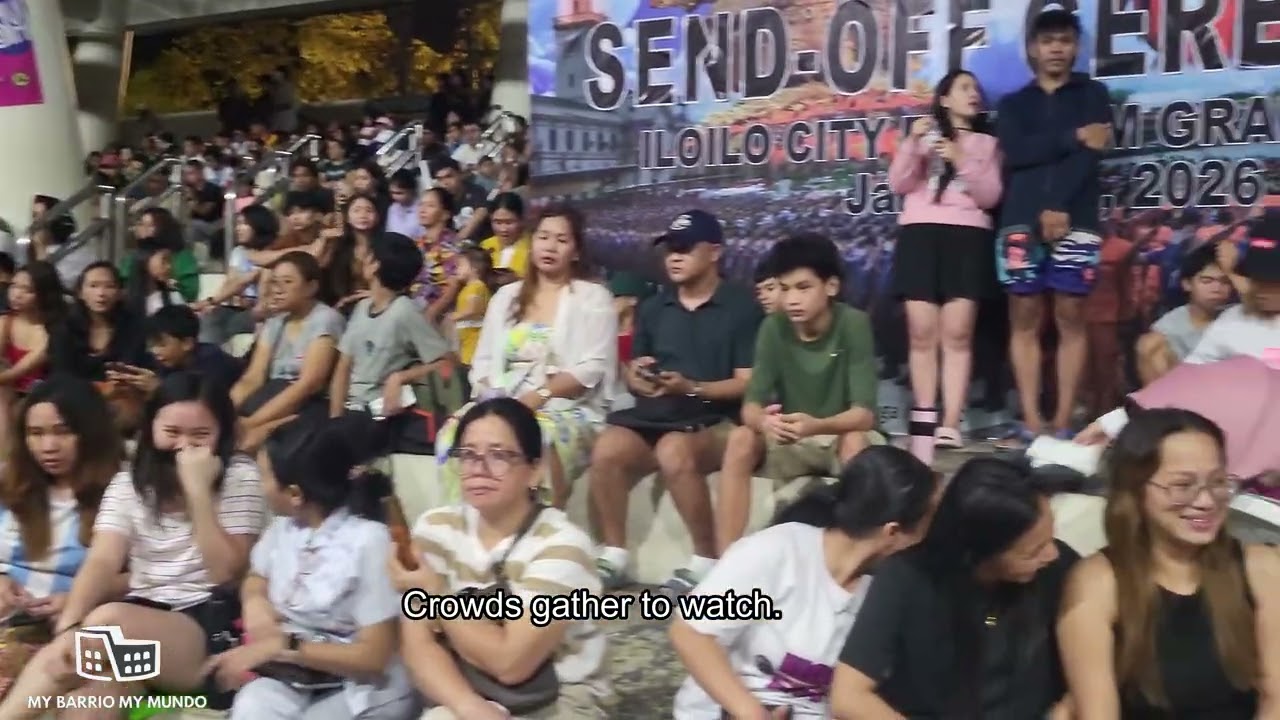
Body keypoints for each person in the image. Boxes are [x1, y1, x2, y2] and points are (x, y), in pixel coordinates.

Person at [0, 372, 269, 718]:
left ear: (222, 434)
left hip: (205, 633)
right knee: (88, 701)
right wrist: (69, 628)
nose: (183, 446)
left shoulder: (240, 477)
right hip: (138, 632)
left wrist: (199, 491)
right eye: (171, 432)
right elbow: (101, 561)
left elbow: (225, 573)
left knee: (109, 618)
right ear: (151, 427)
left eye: (200, 435)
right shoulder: (129, 483)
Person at [671, 446, 939, 719]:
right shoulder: (777, 551)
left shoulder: (885, 591)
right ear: (892, 532)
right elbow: (691, 634)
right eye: (923, 530)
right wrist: (751, 712)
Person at [395, 398, 610, 719]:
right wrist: (469, 706)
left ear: (534, 470)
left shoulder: (563, 546)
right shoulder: (435, 528)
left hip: (560, 696)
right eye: (468, 454)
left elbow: (511, 664)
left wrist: (437, 593)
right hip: (472, 688)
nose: (479, 468)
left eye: (499, 455)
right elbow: (418, 645)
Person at [1058, 409, 1279, 718]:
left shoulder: (1262, 568)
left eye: (1217, 482)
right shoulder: (1098, 583)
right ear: (1135, 490)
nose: (1206, 501)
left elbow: (1276, 701)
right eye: (1183, 485)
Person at [589, 209, 762, 593]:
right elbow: (636, 370)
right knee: (606, 448)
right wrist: (637, 379)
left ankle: (706, 558)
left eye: (684, 249)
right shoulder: (654, 307)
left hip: (717, 419)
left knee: (674, 451)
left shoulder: (742, 307)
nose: (674, 257)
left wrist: (691, 387)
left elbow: (746, 384)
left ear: (714, 252)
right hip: (660, 411)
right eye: (669, 250)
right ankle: (614, 553)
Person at [829, 457, 1078, 720]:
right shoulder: (906, 578)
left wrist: (1064, 710)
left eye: (1050, 537)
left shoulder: (1060, 570)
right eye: (1033, 551)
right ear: (980, 553)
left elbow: (1099, 669)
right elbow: (849, 696)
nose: (1051, 554)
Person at [207, 417, 416, 719]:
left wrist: (283, 645)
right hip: (297, 675)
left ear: (295, 494)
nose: (260, 486)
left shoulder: (369, 540)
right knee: (253, 705)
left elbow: (373, 657)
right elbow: (257, 577)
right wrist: (255, 602)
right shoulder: (283, 529)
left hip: (363, 684)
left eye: (264, 476)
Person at [435, 205, 618, 507]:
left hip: (564, 409)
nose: (550, 246)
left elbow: (593, 366)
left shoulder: (592, 297)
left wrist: (541, 394)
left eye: (561, 240)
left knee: (537, 437)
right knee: (453, 433)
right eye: (544, 237)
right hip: (501, 404)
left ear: (575, 251)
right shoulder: (506, 297)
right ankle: (468, 524)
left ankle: (537, 530)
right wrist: (491, 398)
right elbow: (482, 362)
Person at [714, 234, 881, 555]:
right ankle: (727, 561)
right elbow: (751, 405)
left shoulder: (854, 324)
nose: (791, 300)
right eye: (784, 288)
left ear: (830, 287)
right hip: (793, 438)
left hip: (837, 434)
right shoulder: (773, 327)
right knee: (740, 439)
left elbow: (864, 415)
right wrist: (765, 423)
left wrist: (815, 425)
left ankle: (855, 560)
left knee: (855, 441)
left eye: (803, 288)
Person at [993, 8, 1112, 447]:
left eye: (1065, 40)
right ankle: (1030, 419)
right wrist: (1070, 138)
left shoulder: (1093, 95)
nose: (1056, 48)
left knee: (1070, 316)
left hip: (1077, 219)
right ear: (1032, 48)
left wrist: (1058, 204)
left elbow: (1092, 152)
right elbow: (1017, 152)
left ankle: (1062, 421)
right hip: (1019, 221)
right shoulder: (1012, 104)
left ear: (1076, 47)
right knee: (1023, 318)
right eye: (1047, 41)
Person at [1076, 215, 1280, 444]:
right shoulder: (1234, 321)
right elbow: (1184, 382)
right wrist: (1111, 424)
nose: (1260, 288)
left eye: (1273, 279)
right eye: (1255, 277)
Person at [888, 69, 1002, 459]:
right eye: (965, 87)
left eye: (977, 88)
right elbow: (899, 184)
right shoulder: (922, 140)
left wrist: (962, 159)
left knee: (957, 334)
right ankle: (923, 418)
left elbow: (990, 195)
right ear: (944, 99)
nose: (974, 94)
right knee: (921, 332)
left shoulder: (987, 143)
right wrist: (911, 143)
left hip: (967, 237)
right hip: (920, 234)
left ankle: (950, 423)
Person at [0, 377, 125, 698]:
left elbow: (154, 575)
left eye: (62, 432)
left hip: (76, 629)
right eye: (36, 434)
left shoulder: (124, 490)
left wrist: (79, 599)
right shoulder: (9, 482)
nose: (48, 447)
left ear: (90, 432)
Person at [329, 232, 451, 433]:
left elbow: (447, 362)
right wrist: (335, 421)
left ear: (375, 264)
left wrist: (401, 377)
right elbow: (344, 366)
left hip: (378, 414)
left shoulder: (405, 310)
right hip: (350, 412)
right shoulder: (362, 306)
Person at [231, 252, 345, 450]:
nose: (278, 289)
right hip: (272, 396)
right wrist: (223, 412)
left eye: (287, 282)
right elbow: (253, 377)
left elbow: (309, 385)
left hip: (309, 405)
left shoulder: (326, 319)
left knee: (248, 441)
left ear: (311, 287)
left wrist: (251, 423)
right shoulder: (276, 320)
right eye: (274, 282)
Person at [48, 262, 149, 433]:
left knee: (124, 409)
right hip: (74, 395)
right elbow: (61, 375)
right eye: (93, 286)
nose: (101, 294)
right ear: (80, 292)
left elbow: (131, 367)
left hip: (122, 396)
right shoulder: (64, 329)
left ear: (120, 293)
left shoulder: (134, 326)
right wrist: (99, 390)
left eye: (109, 286)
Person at [1134, 242, 1232, 385]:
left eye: (1225, 282)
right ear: (1187, 284)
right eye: (1207, 281)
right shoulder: (1168, 329)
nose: (1217, 288)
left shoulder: (1237, 316)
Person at [107, 305, 242, 397]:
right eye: (153, 344)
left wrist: (160, 388)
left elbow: (202, 403)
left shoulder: (214, 362)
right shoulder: (167, 362)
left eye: (162, 344)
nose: (155, 350)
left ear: (187, 343)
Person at [198, 204, 279, 345]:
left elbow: (255, 283)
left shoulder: (273, 252)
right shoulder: (238, 251)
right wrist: (214, 303)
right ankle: (210, 356)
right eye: (238, 224)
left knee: (232, 323)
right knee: (210, 316)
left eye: (244, 224)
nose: (238, 228)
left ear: (258, 225)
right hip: (236, 306)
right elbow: (232, 281)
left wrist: (213, 300)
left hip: (261, 308)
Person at [411, 187, 462, 324]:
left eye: (430, 205)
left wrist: (432, 312)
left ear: (445, 214)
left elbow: (453, 285)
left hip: (439, 313)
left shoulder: (451, 245)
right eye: (421, 204)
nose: (422, 209)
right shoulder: (415, 243)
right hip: (413, 306)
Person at [479, 192, 529, 283]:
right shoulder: (485, 246)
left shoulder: (532, 248)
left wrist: (518, 279)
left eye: (509, 222)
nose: (503, 229)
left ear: (521, 220)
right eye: (498, 222)